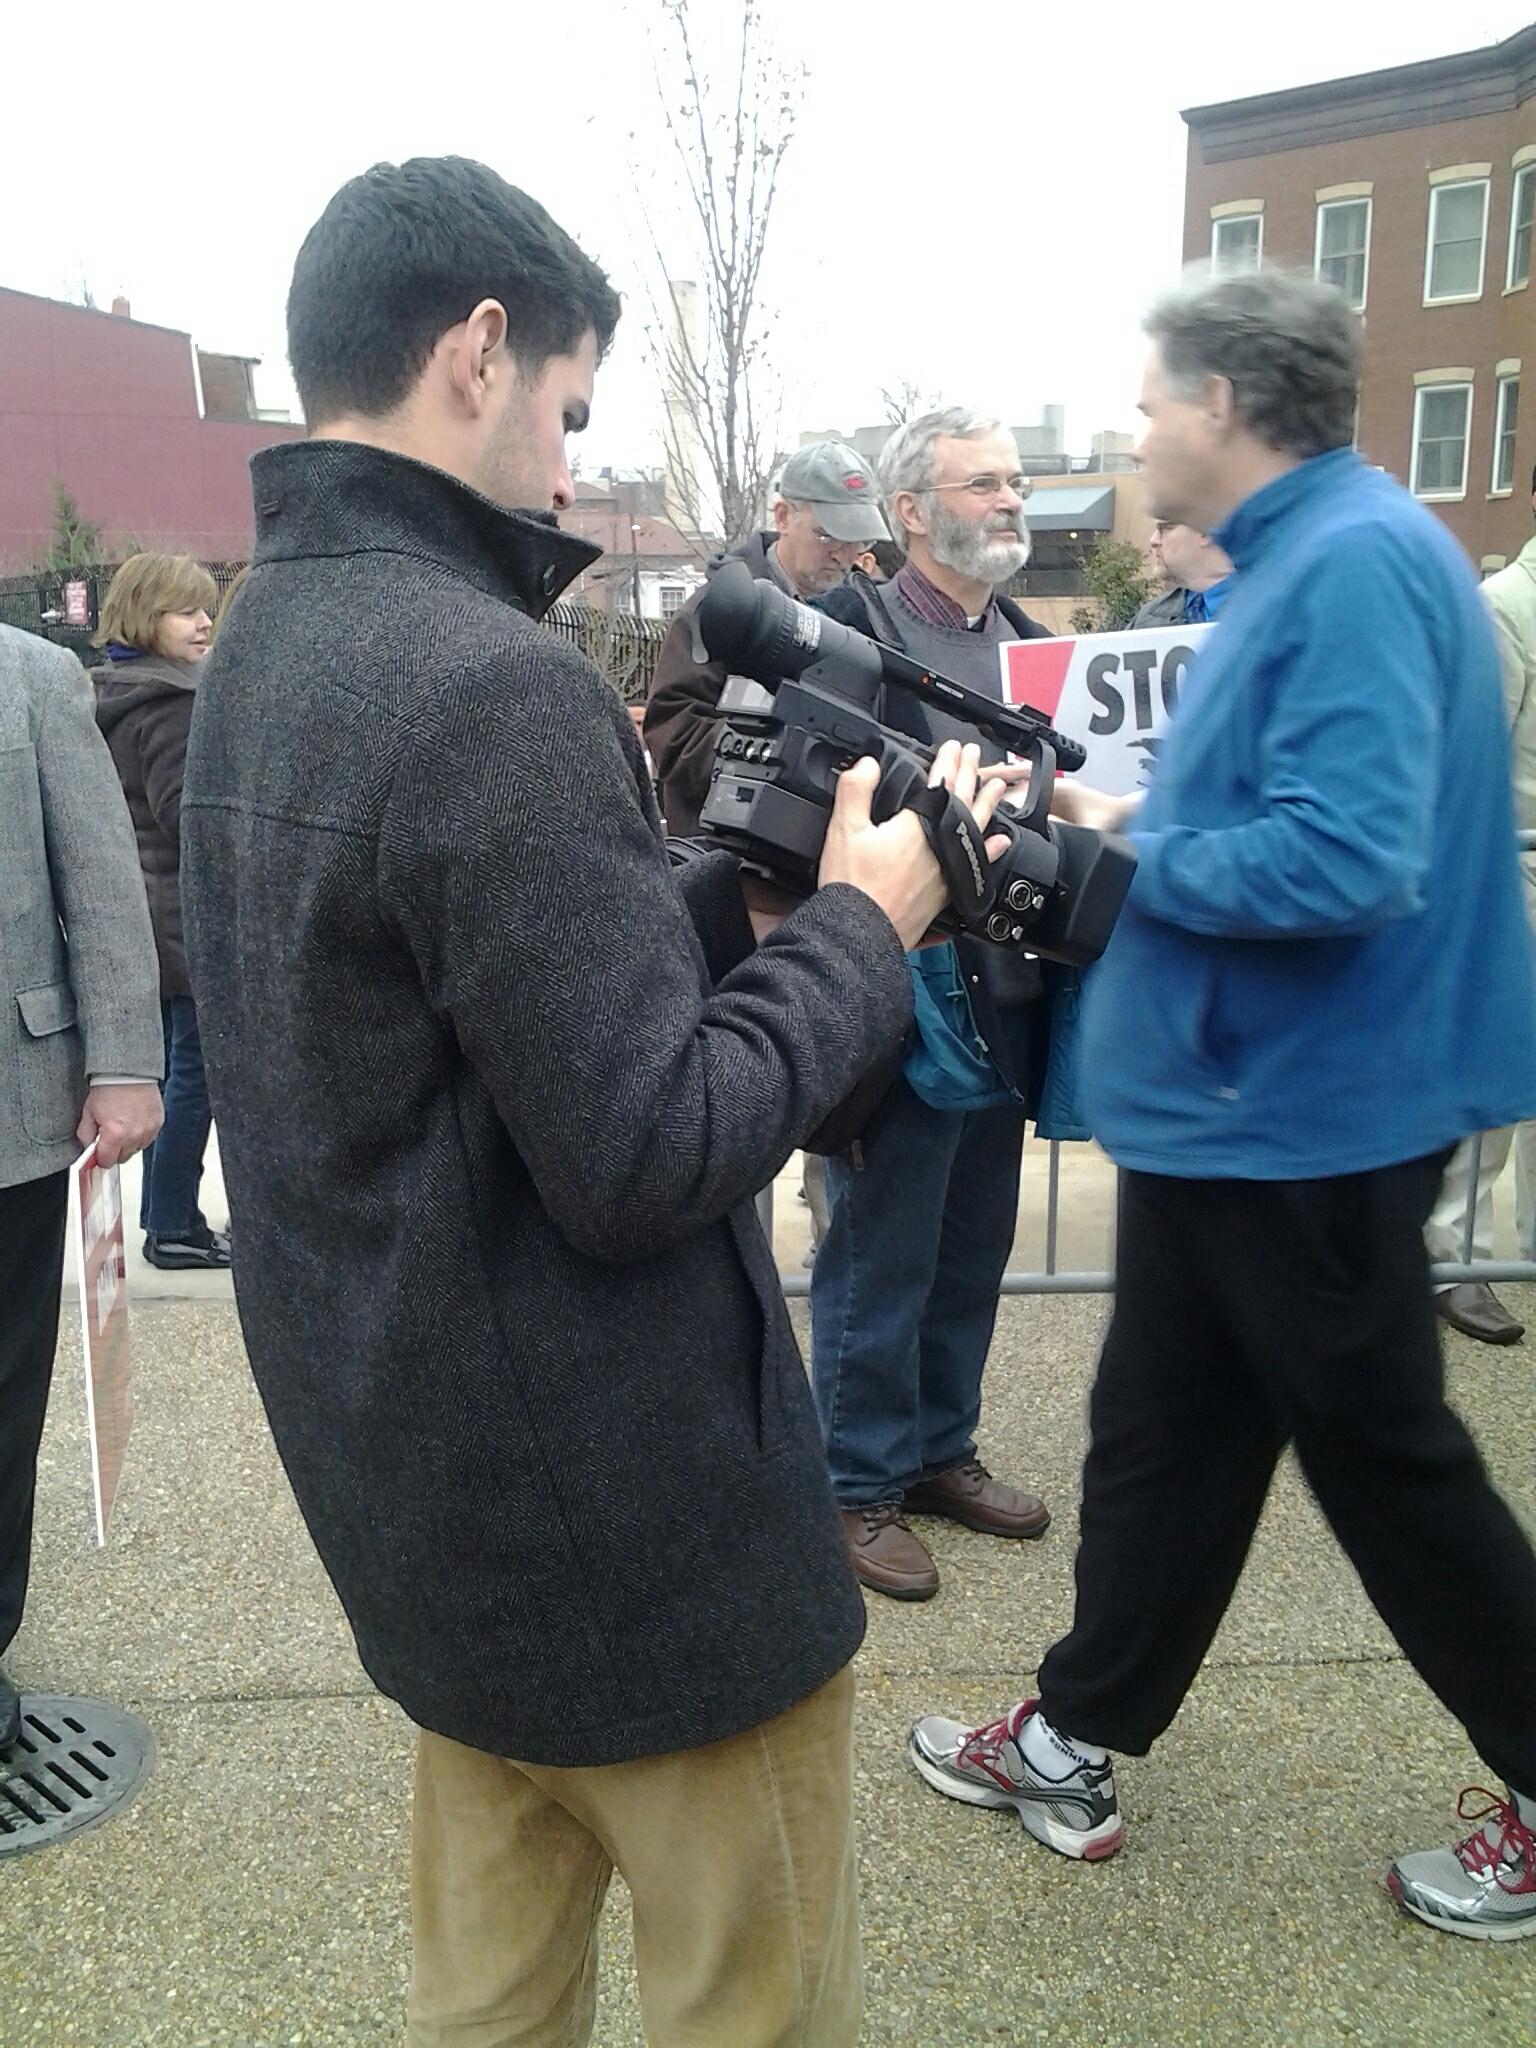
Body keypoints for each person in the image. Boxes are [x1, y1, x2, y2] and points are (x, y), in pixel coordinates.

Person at [180, 156, 1005, 2045]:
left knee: (491, 2003)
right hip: (639, 1545)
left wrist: (727, 909)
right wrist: (866, 929)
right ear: (478, 351)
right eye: (567, 409)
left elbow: (443, 1015)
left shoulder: (263, 647)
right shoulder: (489, 680)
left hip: (428, 1510)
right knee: (755, 2005)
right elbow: (646, 1151)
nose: (567, 466)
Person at [907, 269, 1536, 1942]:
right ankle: (1072, 1735)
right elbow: (1272, 803)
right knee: (1166, 1440)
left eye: (1149, 402)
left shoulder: (1348, 564)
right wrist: (1105, 812)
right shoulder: (1313, 554)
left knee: (1388, 1465)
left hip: (1311, 1114)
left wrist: (1103, 868)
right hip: (1247, 1111)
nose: (1134, 432)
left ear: (1225, 403)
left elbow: (1346, 857)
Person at [807, 408, 1056, 1602]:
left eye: (1017, 481)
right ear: (910, 510)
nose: (1011, 499)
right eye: (982, 481)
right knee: (881, 1247)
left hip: (1006, 990)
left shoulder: (1034, 649)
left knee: (971, 1242)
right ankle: (854, 1483)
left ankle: (939, 1448)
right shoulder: (851, 630)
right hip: (896, 991)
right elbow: (807, 779)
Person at [1, 624, 163, 1749]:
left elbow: (103, 883)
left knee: (1, 1395)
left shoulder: (33, 676)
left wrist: (124, 1063)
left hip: (9, 1109)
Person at [91, 555, 231, 1272]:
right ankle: (175, 1226)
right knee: (196, 1079)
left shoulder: (120, 691)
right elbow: (187, 817)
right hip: (187, 916)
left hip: (151, 913)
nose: (205, 622)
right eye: (186, 610)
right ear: (147, 617)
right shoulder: (175, 701)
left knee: (177, 1072)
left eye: (206, 607)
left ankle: (163, 1216)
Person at [642, 440, 889, 836]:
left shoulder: (869, 615)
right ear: (783, 516)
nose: (844, 555)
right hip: (728, 854)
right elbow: (674, 735)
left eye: (859, 540)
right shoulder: (719, 612)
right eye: (828, 536)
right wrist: (786, 753)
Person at [1426, 463, 1536, 1344]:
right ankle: (1451, 1257)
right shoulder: (1503, 606)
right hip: (1518, 872)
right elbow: (1473, 755)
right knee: (1496, 1081)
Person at [1132, 518, 1234, 626]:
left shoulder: (1248, 610)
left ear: (1205, 532)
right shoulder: (1149, 619)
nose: (1153, 540)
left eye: (1165, 528)